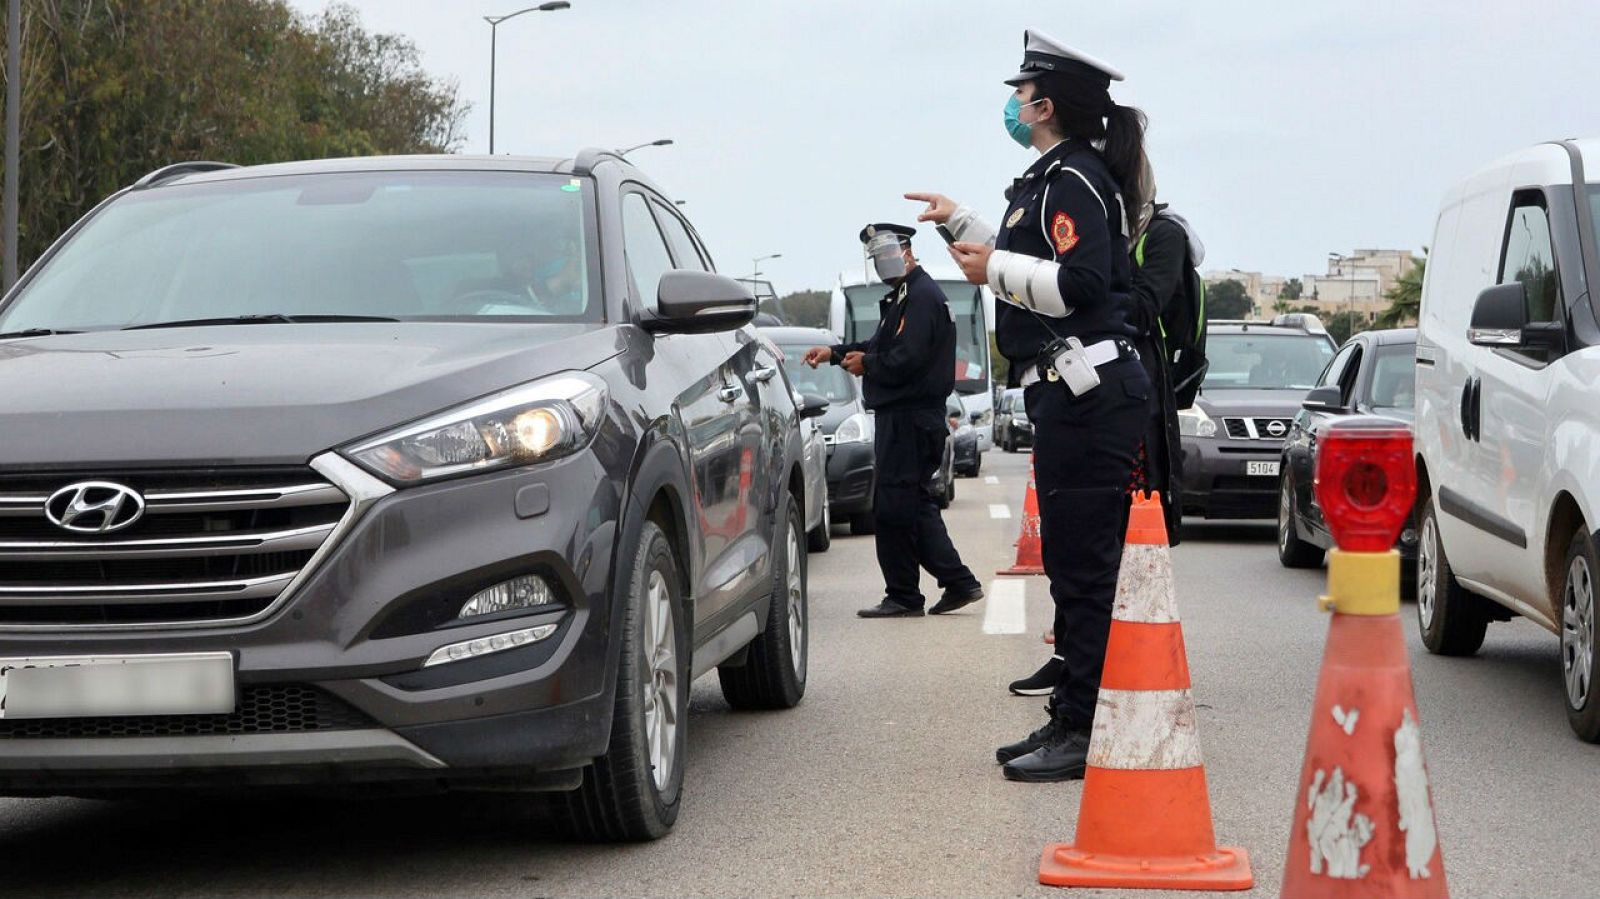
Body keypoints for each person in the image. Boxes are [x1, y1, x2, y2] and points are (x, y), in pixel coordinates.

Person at [907, 30, 1153, 782]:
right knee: (1073, 566)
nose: (1013, 105)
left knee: (1084, 568)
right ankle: (1072, 714)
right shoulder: (1052, 178)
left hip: (1088, 393)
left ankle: (1085, 726)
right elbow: (1029, 258)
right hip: (1071, 396)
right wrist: (962, 223)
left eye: (1020, 94)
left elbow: (1077, 284)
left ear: (1045, 104)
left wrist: (995, 271)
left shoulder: (1072, 177)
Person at [803, 224, 984, 619]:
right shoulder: (905, 296)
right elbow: (883, 346)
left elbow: (909, 357)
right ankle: (947, 584)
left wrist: (867, 364)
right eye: (877, 260)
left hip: (911, 418)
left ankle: (915, 592)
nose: (883, 265)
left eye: (887, 256)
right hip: (902, 417)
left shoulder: (921, 297)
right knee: (907, 505)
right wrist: (837, 354)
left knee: (898, 507)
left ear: (906, 252)